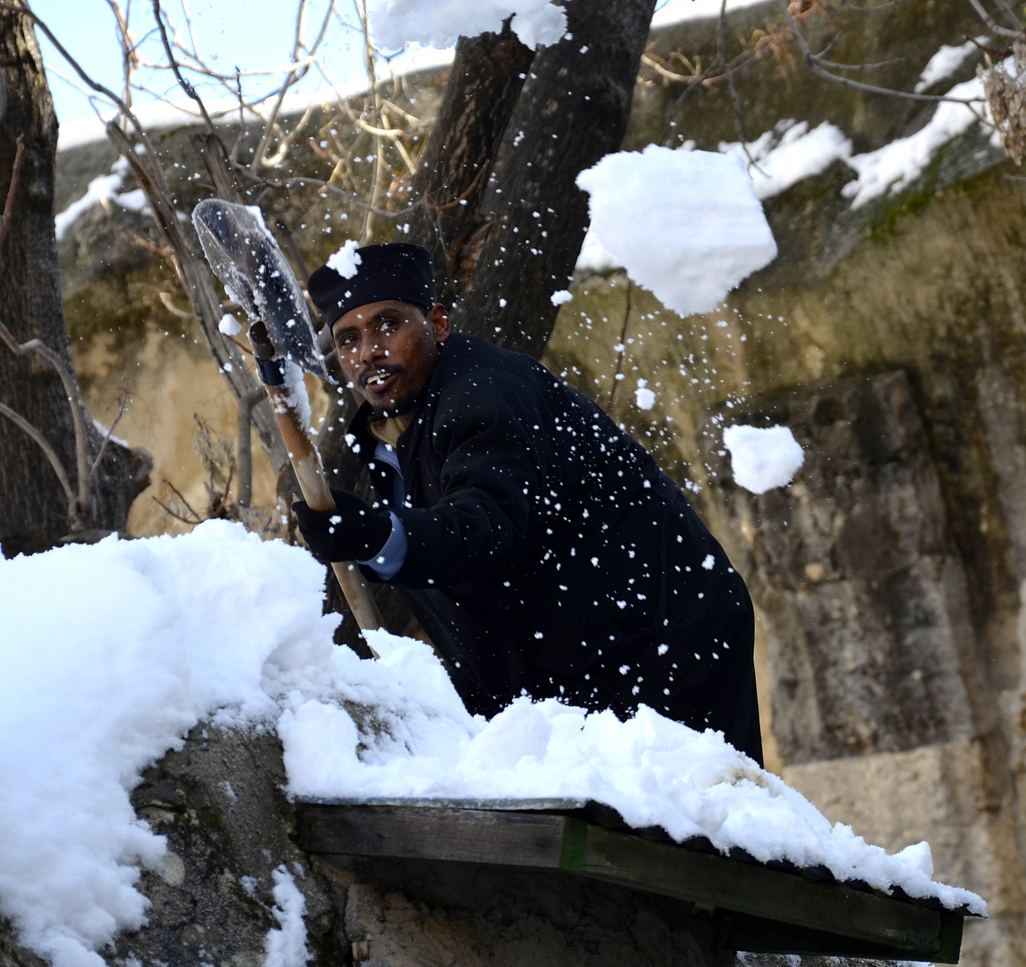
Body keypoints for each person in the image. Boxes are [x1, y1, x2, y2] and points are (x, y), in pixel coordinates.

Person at [295, 242, 763, 764]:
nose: (369, 352)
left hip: (655, 648)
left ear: (439, 324)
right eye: (349, 339)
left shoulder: (483, 391)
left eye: (388, 325)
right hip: (571, 663)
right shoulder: (393, 431)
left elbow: (490, 525)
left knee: (697, 824)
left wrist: (381, 536)